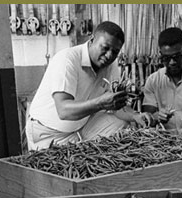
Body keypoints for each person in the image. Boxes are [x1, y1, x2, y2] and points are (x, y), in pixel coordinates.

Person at [26, 21, 151, 151]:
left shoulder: (110, 66)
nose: (109, 56)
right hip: (48, 133)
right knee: (62, 167)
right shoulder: (67, 59)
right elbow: (63, 111)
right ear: (92, 40)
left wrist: (135, 115)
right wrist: (101, 103)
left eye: (115, 52)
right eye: (105, 48)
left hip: (81, 127)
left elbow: (116, 107)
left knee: (121, 125)